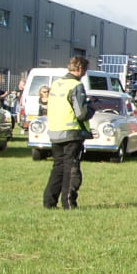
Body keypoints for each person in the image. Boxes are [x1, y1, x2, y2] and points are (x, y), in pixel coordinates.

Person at [43, 56, 93, 210]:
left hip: (55, 131)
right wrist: (92, 108)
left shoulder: (56, 84)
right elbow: (81, 113)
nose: (84, 74)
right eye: (84, 70)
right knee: (71, 168)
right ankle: (68, 203)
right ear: (79, 69)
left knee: (58, 167)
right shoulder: (76, 85)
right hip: (71, 132)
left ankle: (49, 202)